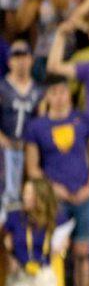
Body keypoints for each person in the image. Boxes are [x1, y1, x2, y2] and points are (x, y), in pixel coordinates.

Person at [25, 74, 89, 286]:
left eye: (62, 91)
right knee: (53, 253)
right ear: (47, 95)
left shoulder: (83, 120)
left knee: (82, 254)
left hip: (82, 195)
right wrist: (53, 188)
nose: (58, 97)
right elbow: (33, 168)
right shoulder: (36, 126)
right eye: (53, 92)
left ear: (68, 93)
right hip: (54, 200)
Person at [0, 41, 41, 212]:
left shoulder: (38, 90)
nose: (20, 61)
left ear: (31, 59)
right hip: (4, 149)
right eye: (16, 56)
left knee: (25, 197)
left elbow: (41, 121)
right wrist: (3, 141)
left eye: (24, 55)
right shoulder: (2, 87)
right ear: (9, 61)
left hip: (28, 150)